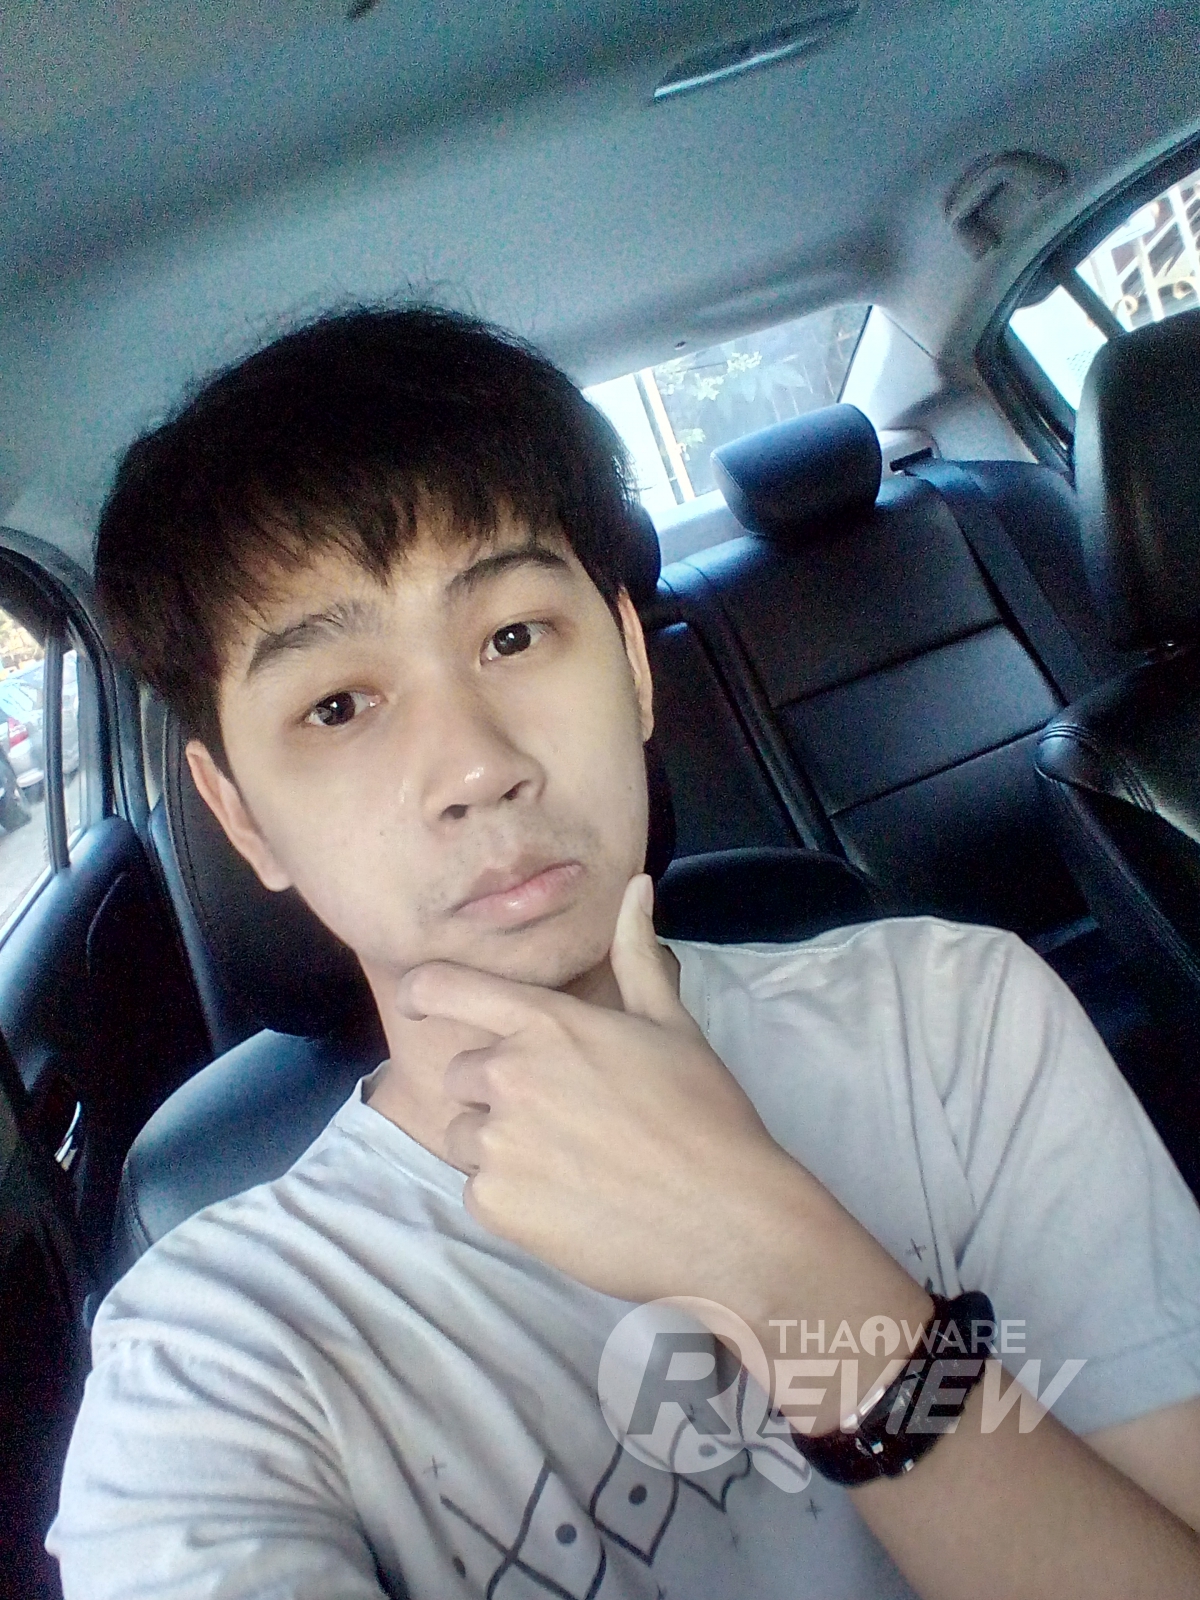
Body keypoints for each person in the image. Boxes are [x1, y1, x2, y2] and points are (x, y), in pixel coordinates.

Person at [46, 306, 1200, 1599]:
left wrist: (775, 1265)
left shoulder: (959, 1015)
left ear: (635, 672)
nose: (476, 766)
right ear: (244, 817)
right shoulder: (208, 1355)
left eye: (513, 637)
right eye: (338, 705)